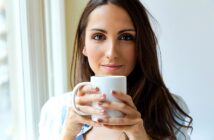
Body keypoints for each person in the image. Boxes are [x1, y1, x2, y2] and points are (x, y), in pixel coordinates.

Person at [39, 0, 193, 140]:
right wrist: (67, 135)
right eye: (99, 36)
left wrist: (140, 136)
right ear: (82, 45)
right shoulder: (55, 112)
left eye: (126, 37)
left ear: (140, 46)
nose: (111, 53)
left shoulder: (169, 110)